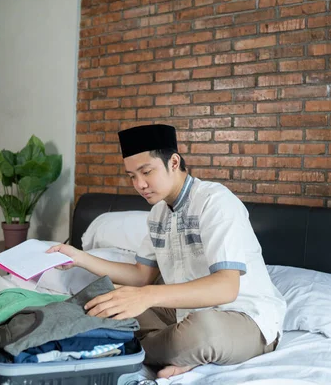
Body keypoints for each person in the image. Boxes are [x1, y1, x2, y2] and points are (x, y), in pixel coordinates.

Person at [48, 124, 286, 379]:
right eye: (131, 176)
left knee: (201, 331)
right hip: (182, 314)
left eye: (146, 171)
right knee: (104, 299)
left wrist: (148, 296)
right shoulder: (158, 214)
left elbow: (226, 287)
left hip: (243, 316)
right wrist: (80, 257)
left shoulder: (216, 202)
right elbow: (141, 277)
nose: (139, 184)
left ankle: (130, 347)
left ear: (173, 162)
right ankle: (171, 352)